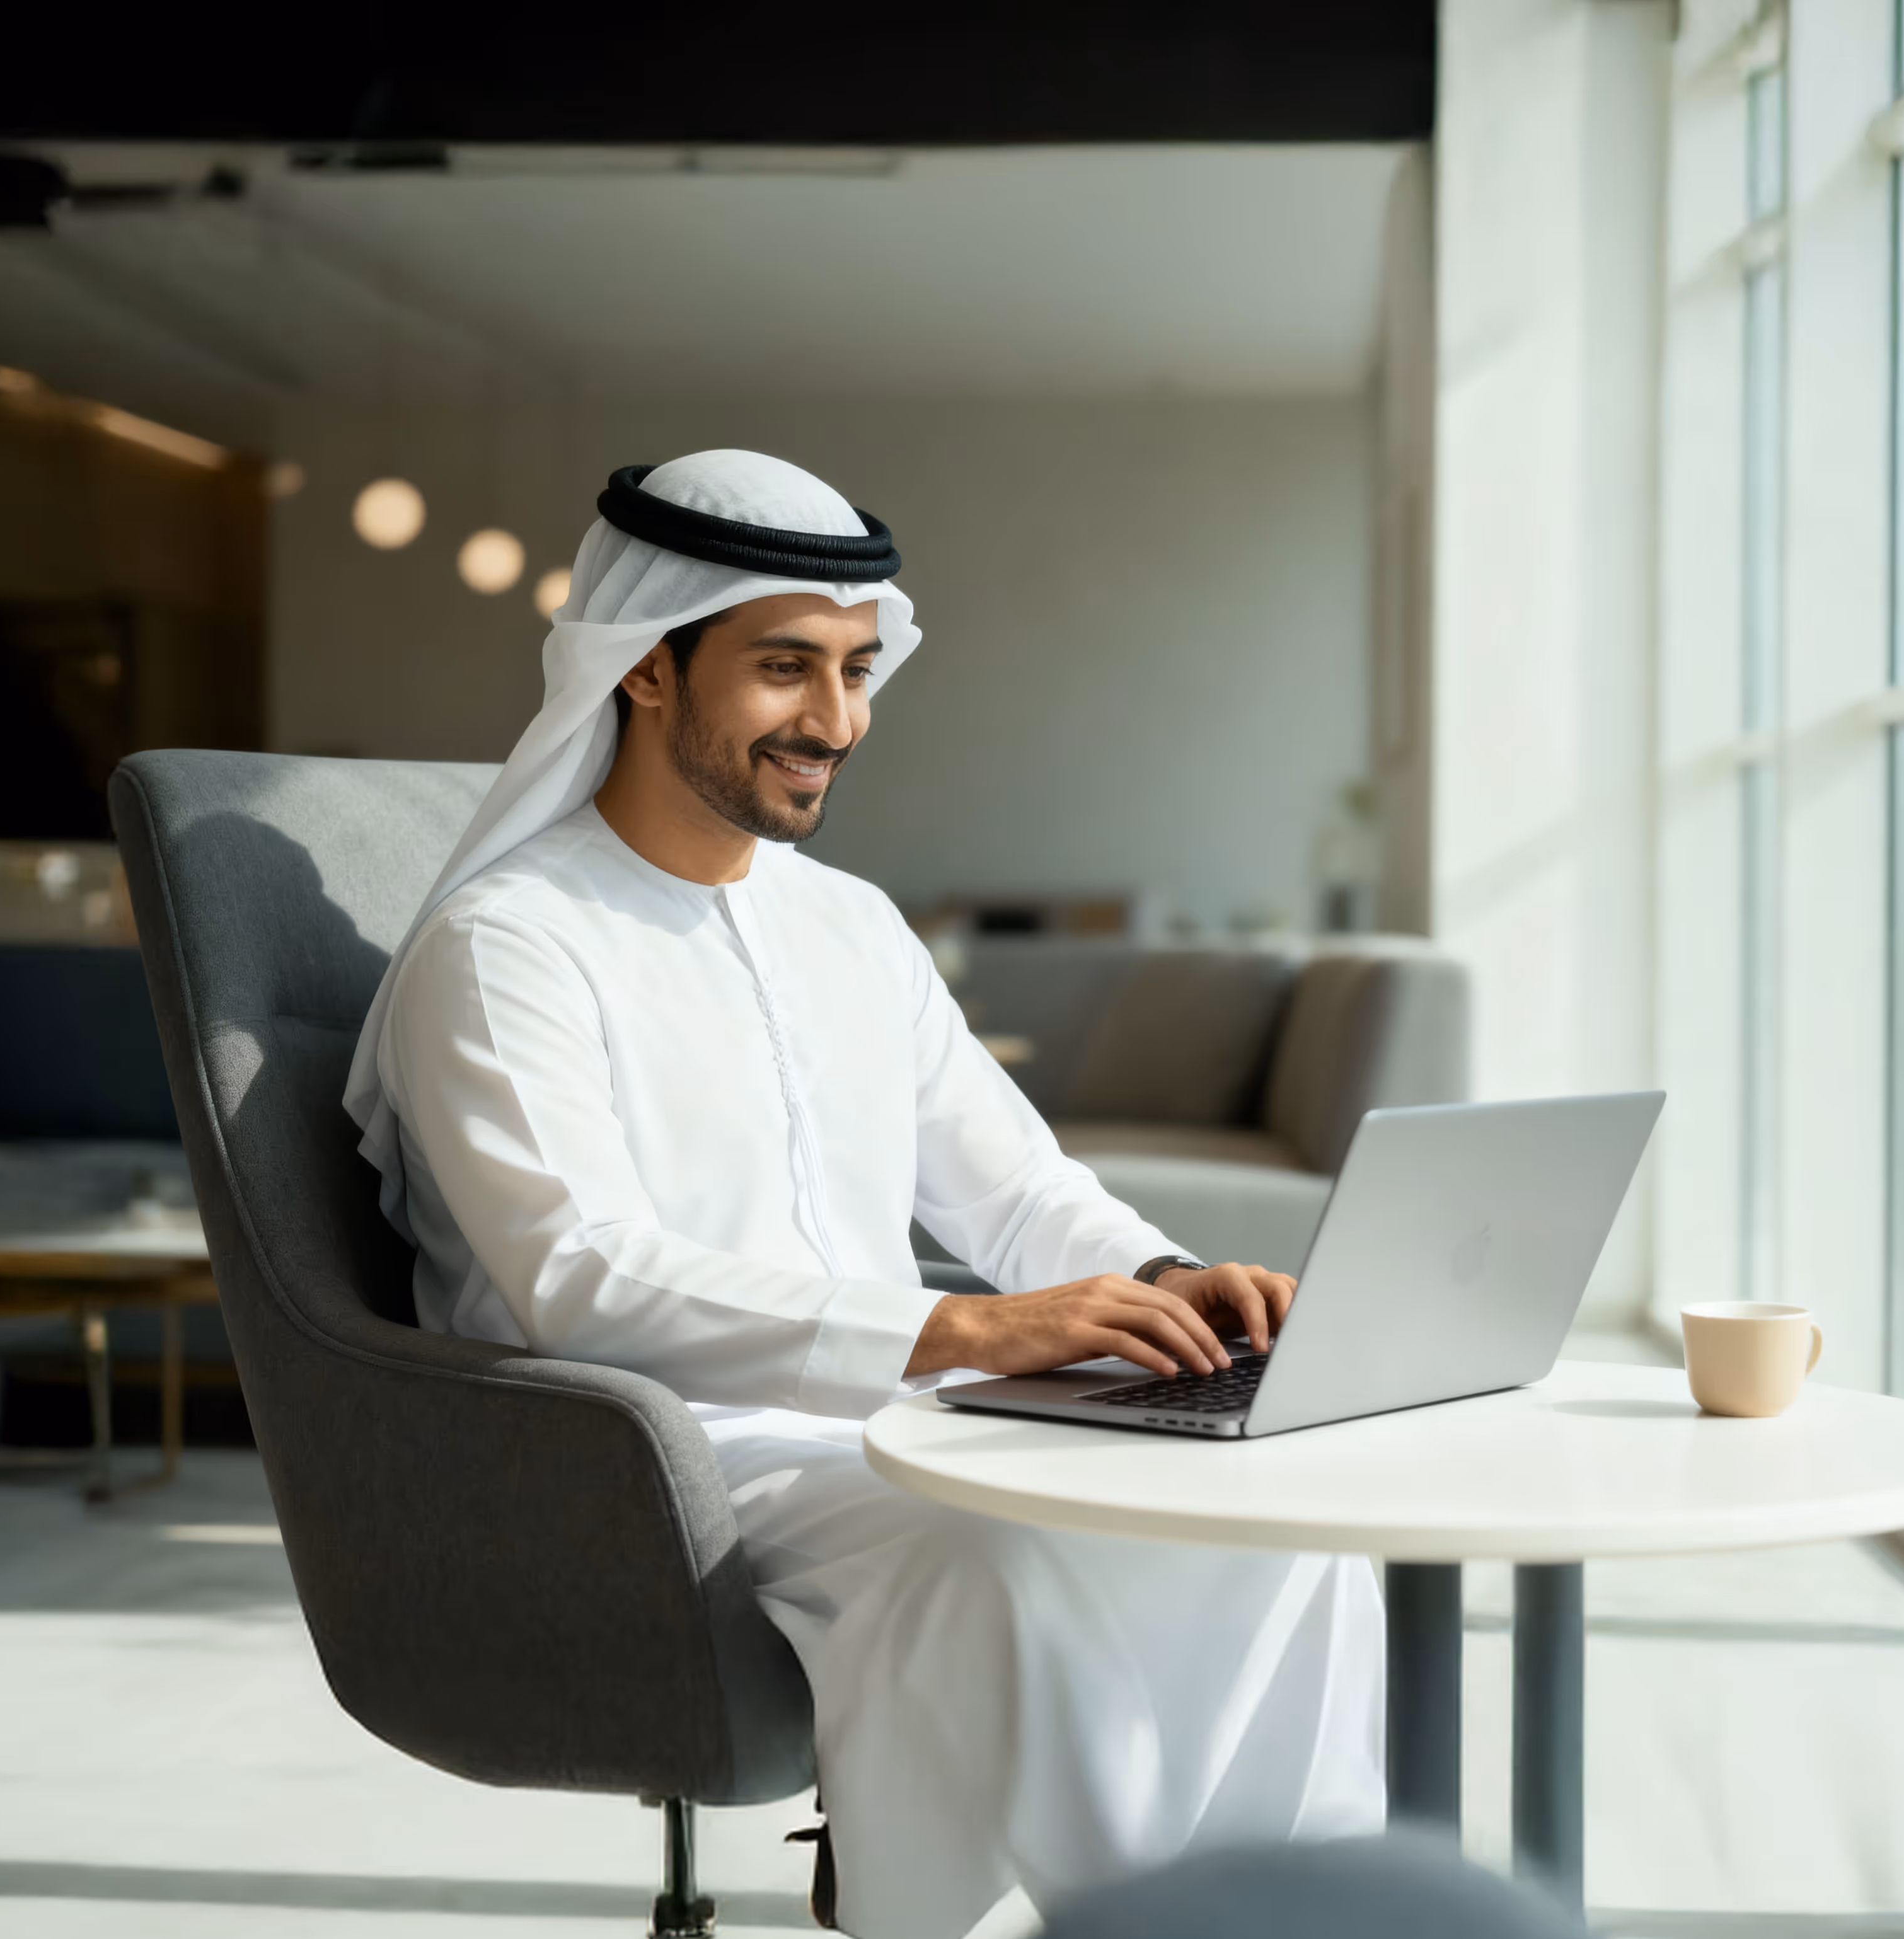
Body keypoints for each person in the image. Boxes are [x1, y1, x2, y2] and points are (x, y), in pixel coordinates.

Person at [344, 451, 1383, 1938]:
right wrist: (968, 1331)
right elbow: (581, 1277)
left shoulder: (853, 927)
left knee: (1280, 1525)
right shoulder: (509, 945)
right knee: (1011, 1562)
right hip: (662, 1460)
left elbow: (1018, 1184)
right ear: (643, 669)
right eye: (784, 670)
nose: (836, 721)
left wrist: (1162, 1278)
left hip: (909, 1412)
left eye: (854, 668)